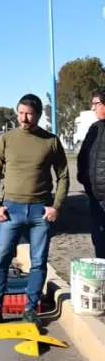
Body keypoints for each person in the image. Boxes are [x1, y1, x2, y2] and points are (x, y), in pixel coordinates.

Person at [0, 93, 69, 325]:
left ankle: (31, 309)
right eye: (20, 113)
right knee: (0, 259)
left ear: (38, 115)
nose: (24, 118)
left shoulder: (51, 141)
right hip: (11, 210)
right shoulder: (6, 140)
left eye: (29, 114)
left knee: (39, 262)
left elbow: (63, 176)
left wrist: (56, 206)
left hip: (41, 211)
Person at [77, 87, 105, 257]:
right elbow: (83, 156)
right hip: (95, 199)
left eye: (97, 103)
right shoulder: (94, 129)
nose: (93, 108)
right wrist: (84, 178)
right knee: (99, 243)